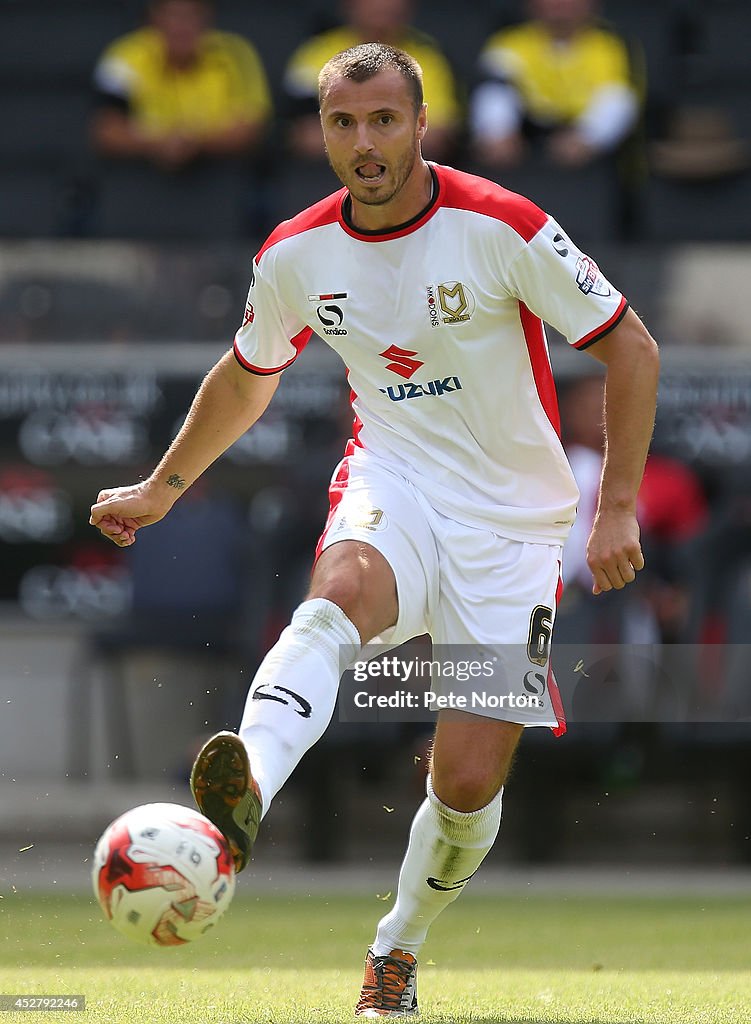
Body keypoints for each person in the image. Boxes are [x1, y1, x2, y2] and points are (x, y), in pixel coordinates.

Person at [90, 43, 659, 1017]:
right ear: (320, 131)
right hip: (393, 480)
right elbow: (245, 375)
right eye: (343, 123)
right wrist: (162, 484)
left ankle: (395, 948)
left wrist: (614, 507)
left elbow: (632, 349)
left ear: (420, 121)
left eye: (383, 120)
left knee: (467, 780)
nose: (364, 143)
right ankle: (244, 799)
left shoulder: (503, 226)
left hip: (513, 524)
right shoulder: (296, 254)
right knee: (340, 590)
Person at [91, 0, 272, 171]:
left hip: (221, 178)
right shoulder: (124, 57)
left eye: (191, 15)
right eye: (172, 15)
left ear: (207, 18)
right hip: (140, 180)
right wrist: (160, 142)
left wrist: (194, 141)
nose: (181, 26)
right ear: (154, 18)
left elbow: (250, 130)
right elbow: (107, 131)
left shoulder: (236, 53)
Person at [283, 0, 461, 163]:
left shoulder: (428, 57)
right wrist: (389, 135)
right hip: (326, 177)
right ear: (350, 4)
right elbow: (305, 134)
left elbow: (435, 136)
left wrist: (347, 136)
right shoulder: (315, 54)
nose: (382, 5)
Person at [470, 0, 641, 170]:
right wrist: (498, 131)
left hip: (581, 137)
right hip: (525, 134)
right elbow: (493, 91)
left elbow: (615, 99)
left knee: (621, 98)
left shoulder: (606, 46)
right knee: (493, 91)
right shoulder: (509, 43)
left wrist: (585, 137)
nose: (559, 5)